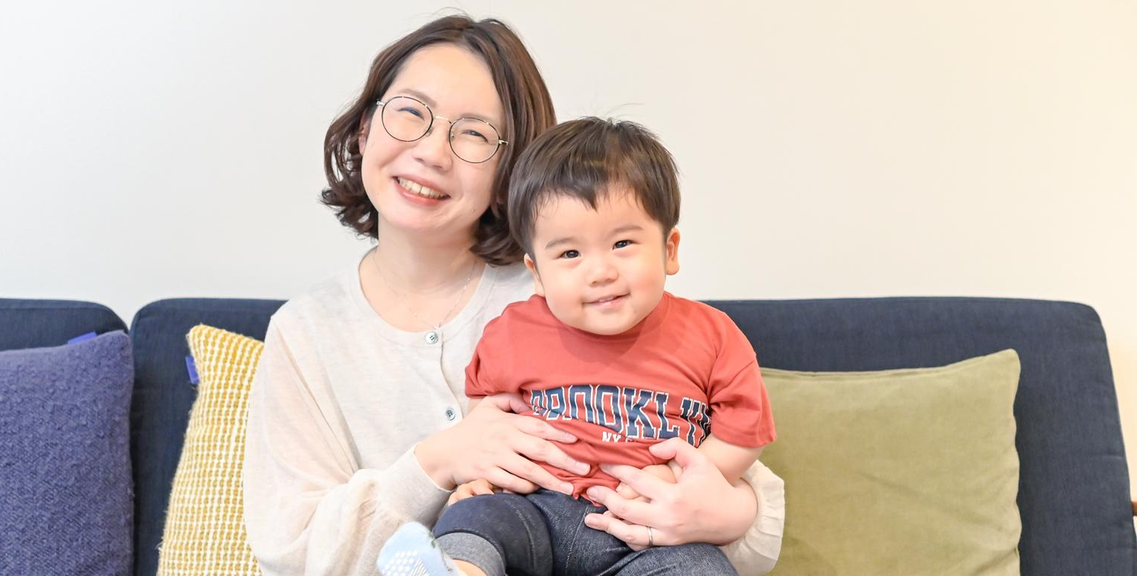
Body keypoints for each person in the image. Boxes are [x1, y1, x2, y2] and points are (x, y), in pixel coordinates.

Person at [242, 15, 785, 576]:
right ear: (364, 129)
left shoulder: (574, 287)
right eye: (410, 112)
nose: (432, 153)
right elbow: (292, 550)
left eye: (474, 133)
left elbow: (748, 512)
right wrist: (438, 462)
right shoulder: (306, 333)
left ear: (510, 174)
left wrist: (729, 512)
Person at [375, 117, 775, 576]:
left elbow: (743, 434)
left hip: (645, 528)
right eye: (570, 254)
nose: (600, 272)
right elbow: (487, 413)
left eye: (622, 243)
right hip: (535, 507)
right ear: (537, 273)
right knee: (473, 516)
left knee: (701, 566)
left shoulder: (712, 335)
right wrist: (481, 476)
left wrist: (685, 476)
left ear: (669, 249)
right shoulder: (514, 331)